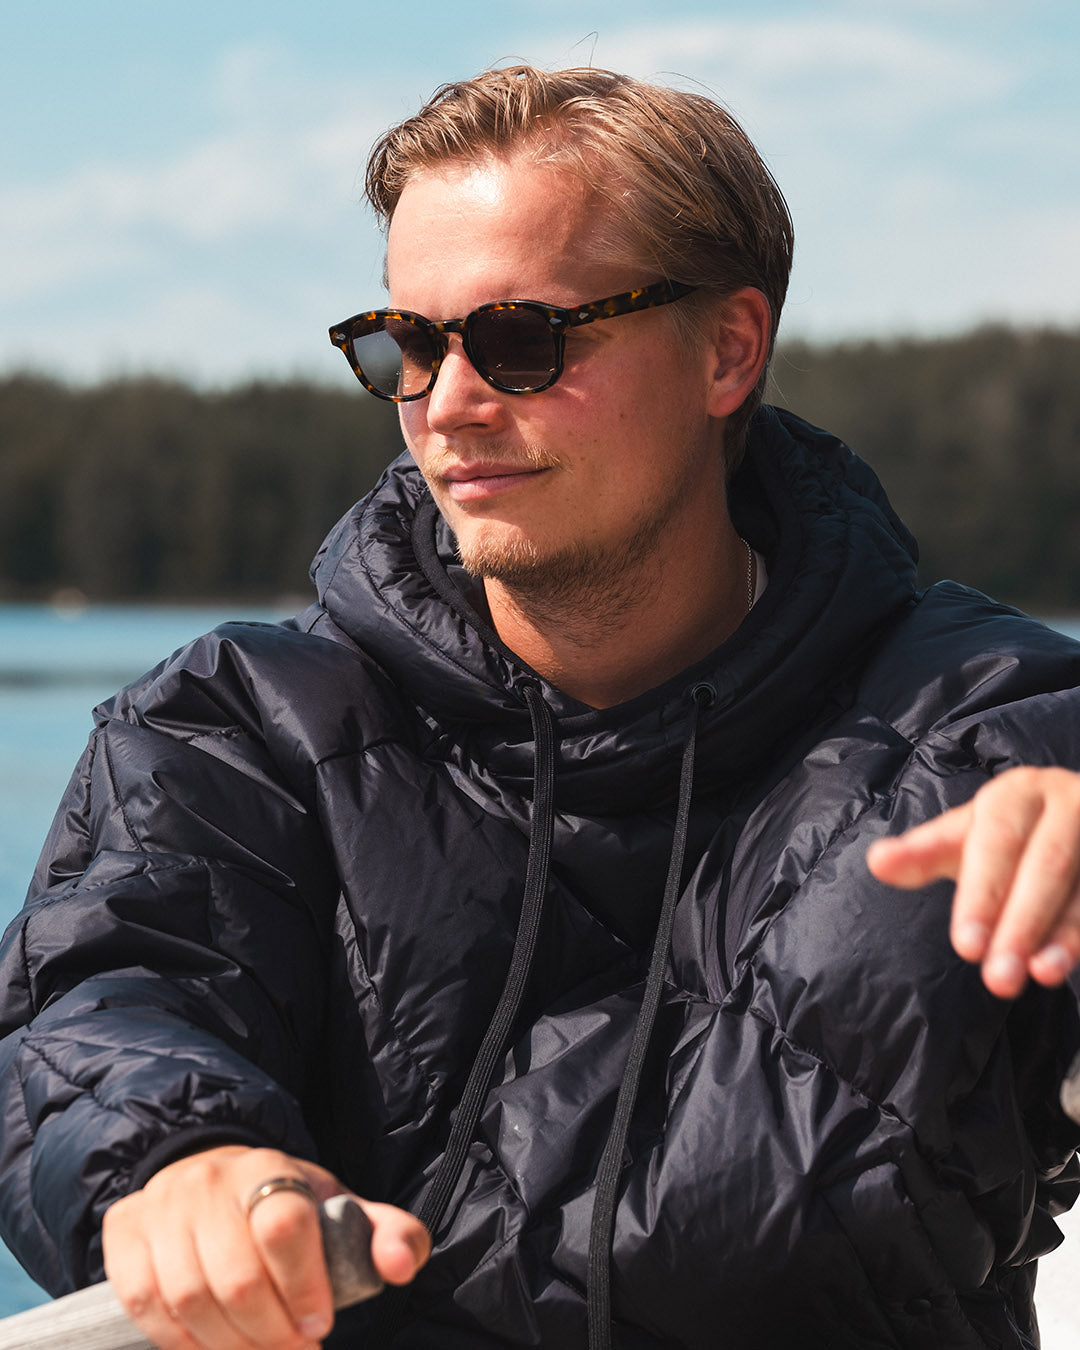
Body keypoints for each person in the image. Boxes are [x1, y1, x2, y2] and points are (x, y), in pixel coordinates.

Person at [1, 64, 1079, 1350]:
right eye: (407, 346)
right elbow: (113, 991)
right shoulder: (235, 732)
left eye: (523, 341)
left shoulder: (999, 737)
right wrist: (181, 1163)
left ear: (729, 351)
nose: (449, 405)